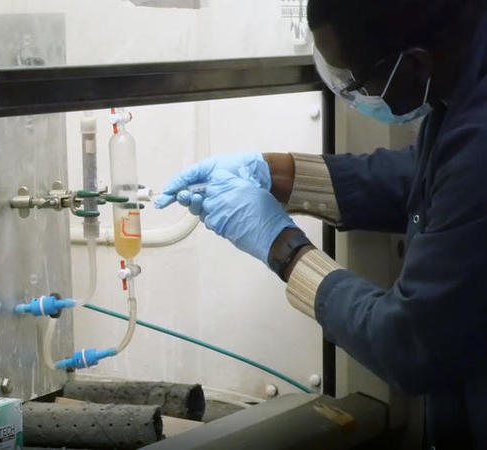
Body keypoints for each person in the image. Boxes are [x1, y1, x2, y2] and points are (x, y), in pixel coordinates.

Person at [156, 0, 487, 448]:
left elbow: (410, 343)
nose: (351, 95)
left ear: (415, 63)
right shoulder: (463, 68)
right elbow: (430, 175)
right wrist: (280, 174)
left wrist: (284, 249)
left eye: (356, 83)